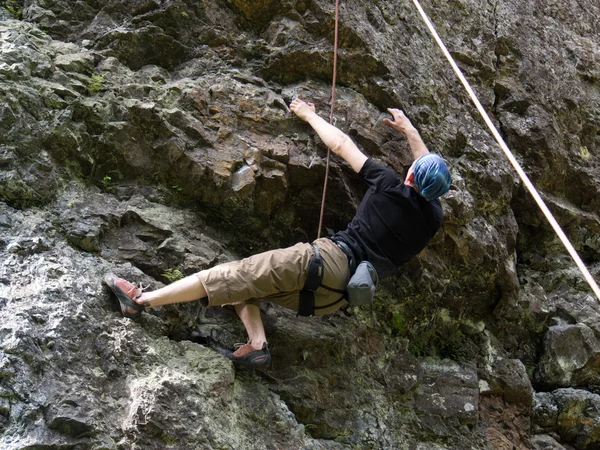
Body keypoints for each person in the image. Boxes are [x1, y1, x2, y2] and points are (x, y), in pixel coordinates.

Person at [104, 98, 451, 368]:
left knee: (234, 274)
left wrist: (309, 116)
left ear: (409, 176)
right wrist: (410, 131)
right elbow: (424, 174)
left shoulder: (389, 185)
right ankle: (257, 346)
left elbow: (343, 145)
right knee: (246, 285)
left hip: (328, 261)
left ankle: (140, 301)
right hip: (333, 298)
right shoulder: (432, 218)